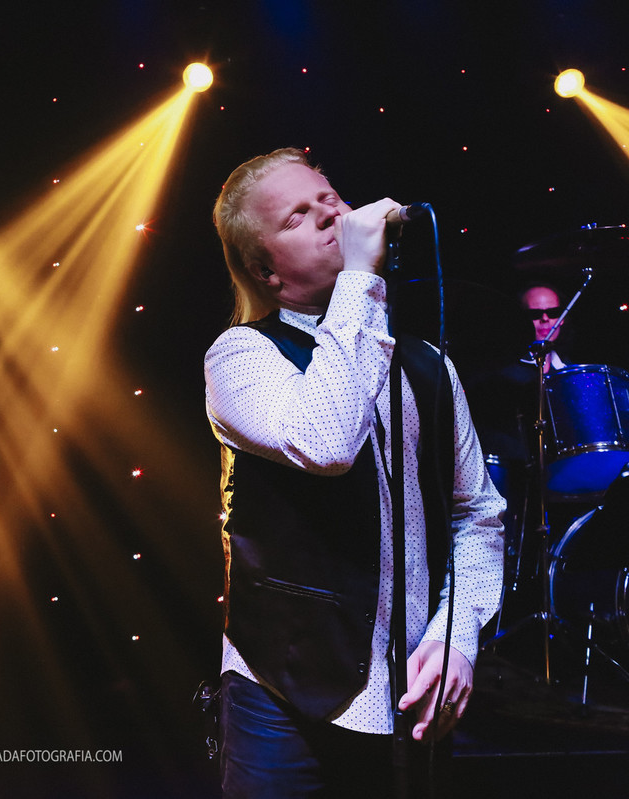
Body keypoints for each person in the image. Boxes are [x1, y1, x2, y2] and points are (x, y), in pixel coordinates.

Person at [204, 148, 505, 797]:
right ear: (267, 270)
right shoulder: (240, 356)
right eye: (297, 216)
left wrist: (459, 635)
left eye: (328, 198)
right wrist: (361, 278)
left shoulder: (428, 365)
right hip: (280, 692)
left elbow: (477, 511)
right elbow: (328, 438)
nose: (329, 216)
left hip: (407, 696)